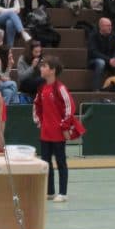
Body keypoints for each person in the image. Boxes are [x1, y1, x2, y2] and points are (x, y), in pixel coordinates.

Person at [33, 56, 76, 202]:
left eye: (44, 66)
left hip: (58, 133)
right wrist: (39, 121)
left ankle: (63, 193)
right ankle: (50, 191)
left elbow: (70, 108)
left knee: (61, 162)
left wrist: (64, 126)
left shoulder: (60, 88)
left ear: (52, 70)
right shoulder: (42, 88)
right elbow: (36, 105)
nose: (41, 68)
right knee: (46, 163)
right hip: (45, 133)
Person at [87, 17, 115, 91]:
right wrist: (109, 60)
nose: (110, 27)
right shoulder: (93, 36)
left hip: (110, 60)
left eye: (110, 25)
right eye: (108, 26)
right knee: (101, 62)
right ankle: (95, 89)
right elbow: (94, 52)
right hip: (95, 60)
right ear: (101, 26)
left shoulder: (113, 36)